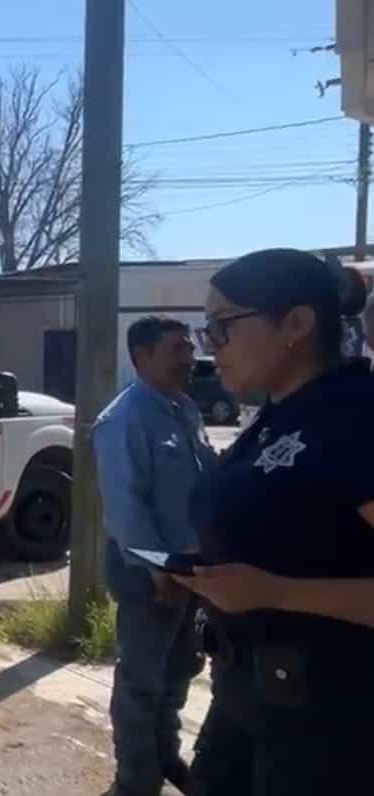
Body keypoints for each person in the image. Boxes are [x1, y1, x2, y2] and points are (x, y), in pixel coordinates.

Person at [174, 248, 374, 794]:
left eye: (222, 327)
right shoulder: (278, 415)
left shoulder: (356, 417)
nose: (209, 348)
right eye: (205, 330)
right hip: (246, 699)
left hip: (329, 729)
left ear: (297, 324)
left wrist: (278, 593)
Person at [92, 316, 215, 796]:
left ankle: (165, 757)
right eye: (177, 350)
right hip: (150, 575)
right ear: (142, 356)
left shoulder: (182, 409)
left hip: (192, 571)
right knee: (142, 682)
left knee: (180, 670)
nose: (189, 358)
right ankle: (136, 779)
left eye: (189, 348)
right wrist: (159, 569)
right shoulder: (123, 420)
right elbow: (125, 509)